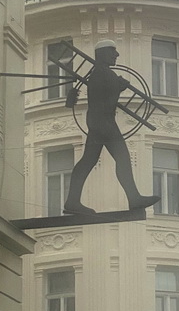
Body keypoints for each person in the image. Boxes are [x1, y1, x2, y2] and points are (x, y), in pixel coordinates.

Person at [63, 40, 158, 215]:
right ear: (103, 53)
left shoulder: (100, 72)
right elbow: (105, 100)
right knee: (121, 158)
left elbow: (102, 97)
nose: (116, 55)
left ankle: (72, 201)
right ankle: (134, 198)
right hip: (104, 122)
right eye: (112, 51)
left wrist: (116, 87)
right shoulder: (102, 73)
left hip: (99, 121)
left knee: (88, 161)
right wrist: (118, 87)